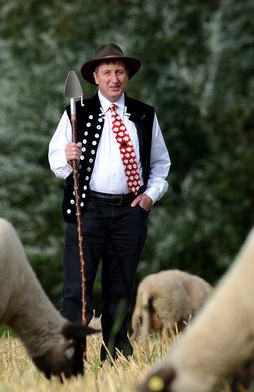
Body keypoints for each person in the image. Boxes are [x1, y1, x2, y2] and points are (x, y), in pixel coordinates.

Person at [48, 43, 171, 360]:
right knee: (78, 288)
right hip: (86, 210)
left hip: (130, 212)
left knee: (121, 287)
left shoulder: (144, 114)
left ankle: (116, 351)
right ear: (96, 78)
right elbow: (55, 160)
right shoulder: (78, 112)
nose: (114, 78)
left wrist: (149, 197)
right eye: (107, 72)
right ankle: (72, 351)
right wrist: (67, 156)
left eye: (120, 71)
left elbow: (161, 164)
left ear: (127, 75)